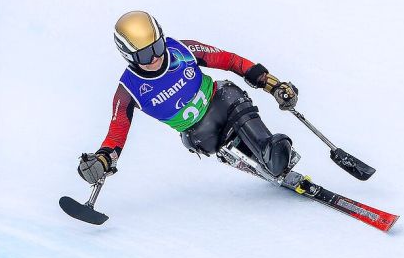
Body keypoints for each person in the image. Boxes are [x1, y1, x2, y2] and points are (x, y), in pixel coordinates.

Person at [77, 10, 300, 185]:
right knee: (225, 119)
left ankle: (269, 153)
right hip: (201, 133)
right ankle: (271, 156)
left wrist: (271, 83)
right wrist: (102, 160)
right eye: (144, 54)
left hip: (224, 101)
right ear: (128, 56)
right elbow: (116, 135)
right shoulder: (128, 90)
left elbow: (229, 60)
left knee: (233, 97)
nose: (155, 57)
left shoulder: (181, 49)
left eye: (157, 46)